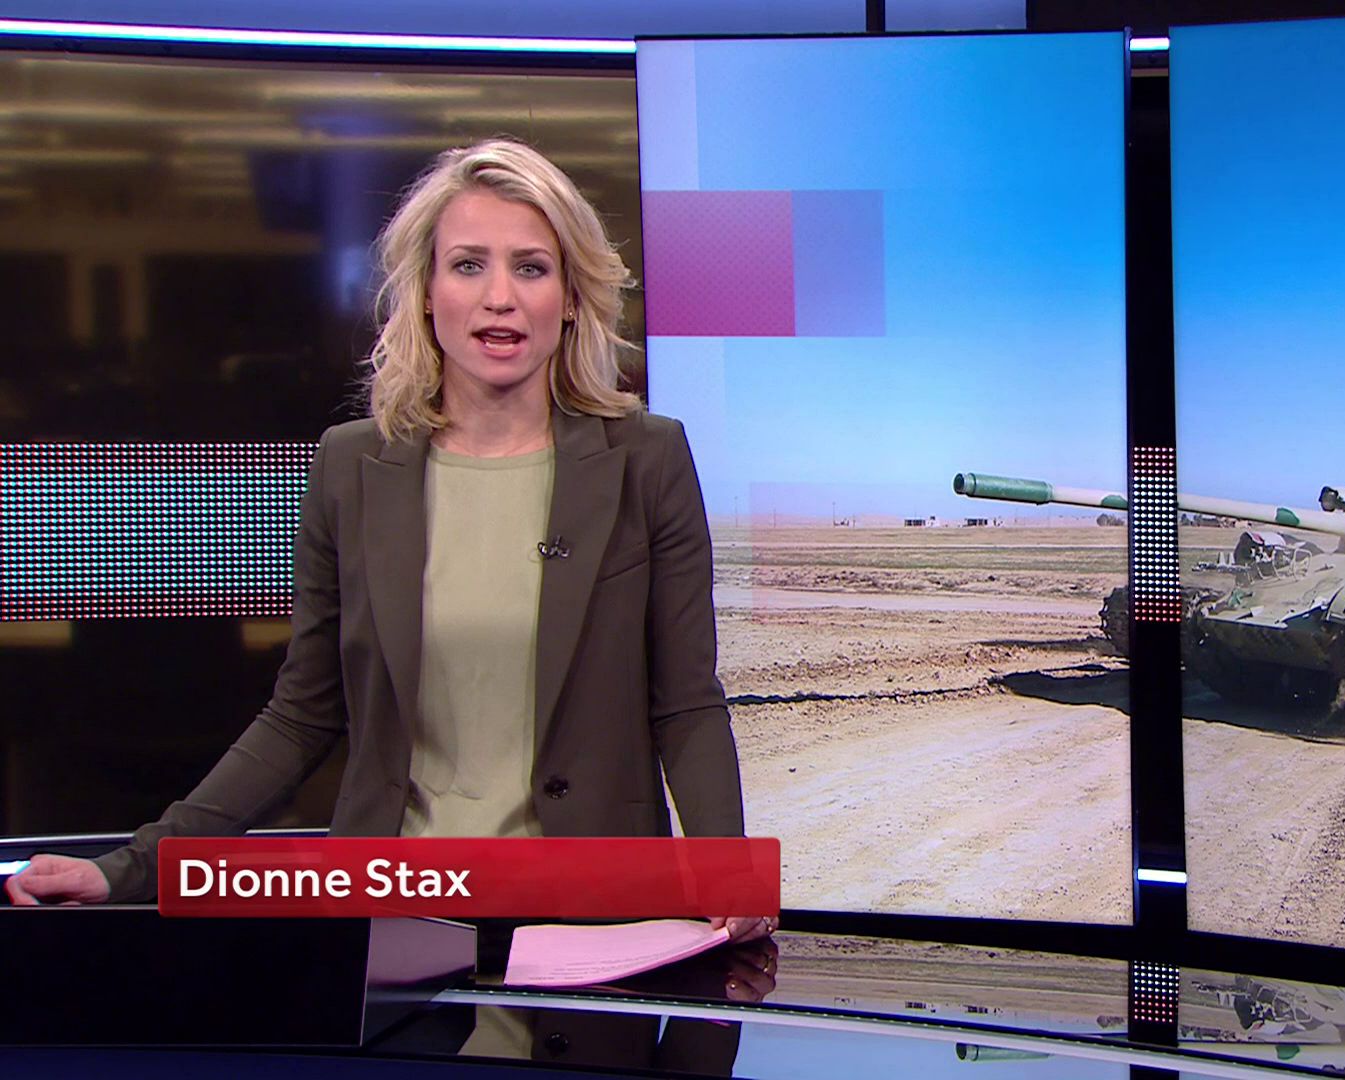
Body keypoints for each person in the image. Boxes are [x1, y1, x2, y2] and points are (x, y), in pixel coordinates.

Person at [5, 139, 775, 942]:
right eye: (468, 266)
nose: (500, 298)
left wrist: (729, 868)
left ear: (573, 296)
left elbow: (685, 703)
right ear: (427, 293)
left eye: (531, 267)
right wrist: (134, 868)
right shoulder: (351, 466)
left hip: (591, 920)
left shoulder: (646, 458)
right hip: (394, 913)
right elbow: (301, 716)